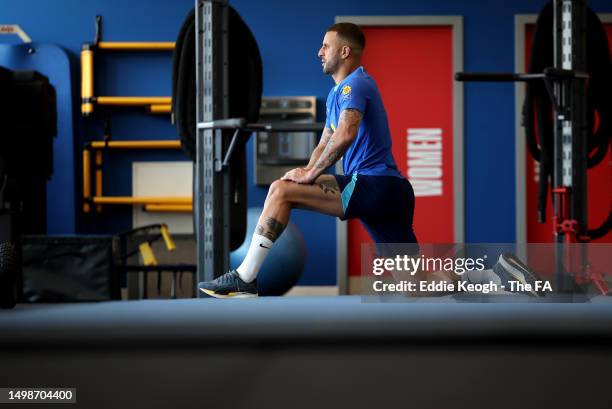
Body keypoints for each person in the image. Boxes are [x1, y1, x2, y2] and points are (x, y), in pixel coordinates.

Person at [198, 23, 540, 298]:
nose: (319, 52)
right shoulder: (337, 93)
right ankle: (495, 274)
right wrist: (307, 170)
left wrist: (309, 176)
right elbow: (325, 143)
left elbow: (346, 135)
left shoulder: (354, 85)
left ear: (344, 51)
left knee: (281, 190)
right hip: (390, 191)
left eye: (326, 46)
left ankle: (245, 278)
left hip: (375, 185)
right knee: (415, 284)